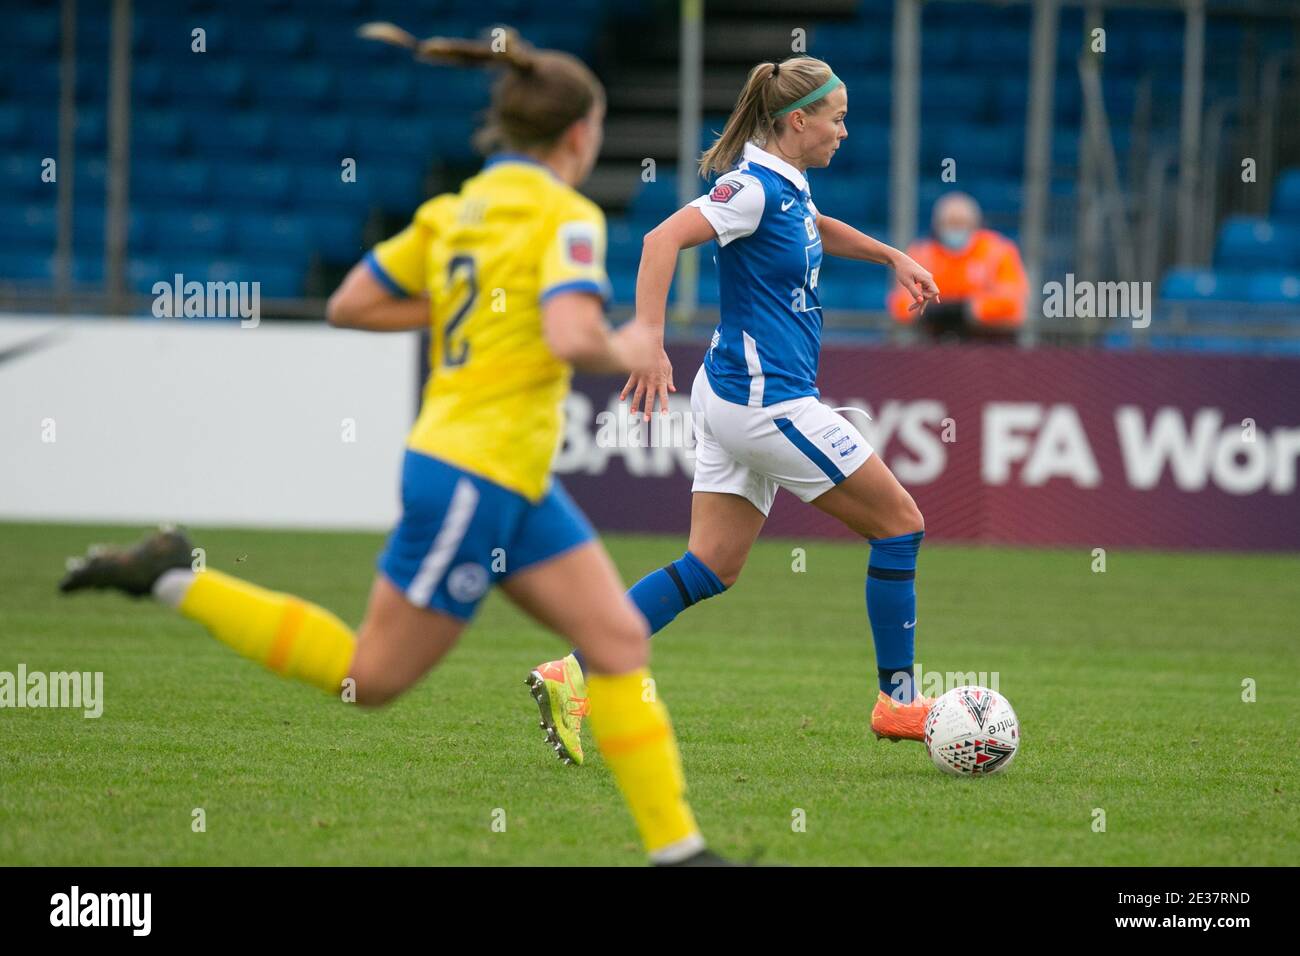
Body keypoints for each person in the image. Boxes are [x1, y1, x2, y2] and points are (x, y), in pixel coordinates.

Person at [59, 25, 728, 867]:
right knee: (368, 677)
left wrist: (469, 312)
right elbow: (568, 332)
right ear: (580, 135)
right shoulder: (569, 216)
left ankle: (682, 852)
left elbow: (349, 304)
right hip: (471, 477)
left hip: (506, 477)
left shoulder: (452, 212)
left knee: (619, 644)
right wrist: (627, 345)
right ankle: (170, 574)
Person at [527, 56, 942, 767]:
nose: (845, 130)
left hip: (729, 397)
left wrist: (889, 257)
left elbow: (814, 224)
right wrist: (648, 343)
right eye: (836, 118)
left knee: (712, 564)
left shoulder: (784, 185)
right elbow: (662, 240)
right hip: (767, 402)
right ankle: (899, 701)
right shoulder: (749, 188)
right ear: (797, 120)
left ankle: (574, 671)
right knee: (901, 524)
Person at [887, 191, 1027, 341]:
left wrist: (965, 310)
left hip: (988, 340)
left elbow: (1011, 303)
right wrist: (932, 311)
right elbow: (901, 305)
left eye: (961, 223)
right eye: (950, 223)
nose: (956, 228)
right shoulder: (921, 254)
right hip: (933, 338)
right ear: (937, 225)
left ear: (975, 224)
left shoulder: (998, 252)